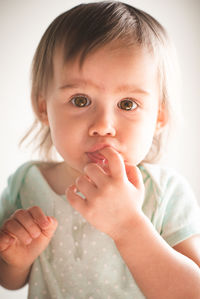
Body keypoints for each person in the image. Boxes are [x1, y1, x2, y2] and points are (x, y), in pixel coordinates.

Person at [0, 2, 200, 298]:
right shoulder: (26, 183)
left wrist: (129, 227)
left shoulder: (163, 193)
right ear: (44, 108)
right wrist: (15, 260)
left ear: (158, 117)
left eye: (127, 104)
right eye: (80, 100)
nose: (103, 125)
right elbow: (10, 281)